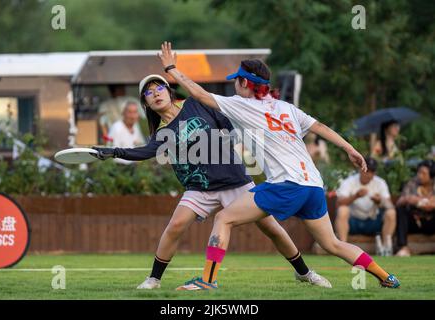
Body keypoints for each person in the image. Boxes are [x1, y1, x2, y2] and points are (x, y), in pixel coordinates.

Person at [156, 42, 400, 290]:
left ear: (246, 83)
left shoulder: (242, 105)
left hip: (286, 184)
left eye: (237, 80)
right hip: (313, 186)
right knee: (333, 244)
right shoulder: (286, 108)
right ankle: (385, 276)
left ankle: (207, 281)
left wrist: (171, 69)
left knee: (224, 218)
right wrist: (350, 149)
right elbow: (322, 129)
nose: (234, 83)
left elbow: (199, 94)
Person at [92, 74, 332, 289]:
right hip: (200, 190)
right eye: (149, 93)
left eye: (159, 88)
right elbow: (144, 152)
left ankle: (305, 273)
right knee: (174, 226)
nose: (155, 94)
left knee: (272, 229)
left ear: (169, 91)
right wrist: (112, 152)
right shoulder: (162, 132)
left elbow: (227, 122)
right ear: (146, 103)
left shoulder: (195, 103)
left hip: (235, 181)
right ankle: (154, 279)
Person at [335, 157, 396, 256]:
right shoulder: (349, 181)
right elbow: (339, 203)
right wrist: (355, 196)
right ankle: (343, 249)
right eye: (367, 170)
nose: (368, 174)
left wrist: (380, 200)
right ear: (360, 169)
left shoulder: (380, 182)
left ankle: (386, 249)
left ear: (375, 173)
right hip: (353, 222)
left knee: (391, 213)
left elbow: (390, 205)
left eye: (372, 171)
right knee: (342, 210)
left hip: (373, 222)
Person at [395, 160, 435, 257]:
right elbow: (399, 202)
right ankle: (403, 248)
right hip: (415, 222)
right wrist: (408, 199)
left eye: (423, 173)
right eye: (419, 172)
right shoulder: (412, 183)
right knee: (401, 209)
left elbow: (430, 206)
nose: (419, 175)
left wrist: (419, 201)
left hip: (431, 222)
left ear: (431, 175)